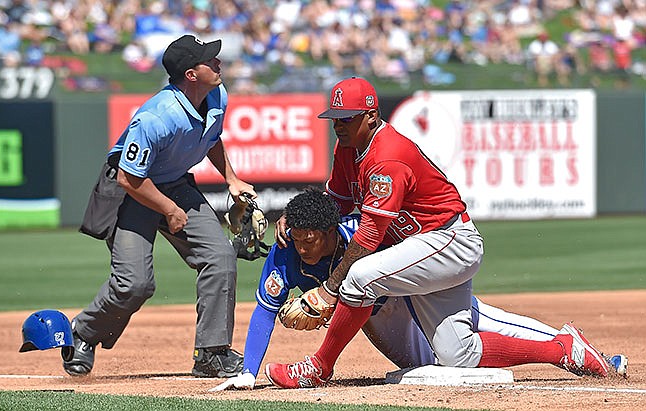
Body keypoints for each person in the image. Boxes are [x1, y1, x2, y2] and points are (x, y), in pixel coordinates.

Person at [264, 77, 618, 389]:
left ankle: (319, 367)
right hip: (422, 246)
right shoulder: (348, 149)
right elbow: (336, 205)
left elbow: (370, 235)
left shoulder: (387, 157)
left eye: (347, 118)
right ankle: (563, 349)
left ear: (371, 116)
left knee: (358, 278)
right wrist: (297, 219)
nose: (338, 126)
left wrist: (328, 292)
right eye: (335, 119)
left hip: (448, 240)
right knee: (458, 353)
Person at [211, 189, 627, 390]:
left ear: (330, 232)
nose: (302, 245)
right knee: (448, 363)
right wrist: (248, 372)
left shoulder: (362, 235)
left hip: (420, 301)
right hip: (384, 328)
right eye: (297, 235)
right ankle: (568, 348)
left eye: (310, 238)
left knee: (484, 325)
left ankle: (577, 351)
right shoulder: (285, 255)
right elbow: (265, 311)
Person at [63, 34, 255, 378]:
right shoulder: (156, 117)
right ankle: (83, 332)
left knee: (220, 256)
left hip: (174, 183)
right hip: (132, 191)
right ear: (191, 75)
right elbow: (129, 178)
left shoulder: (217, 95)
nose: (218, 62)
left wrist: (232, 179)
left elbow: (211, 139)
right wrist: (168, 208)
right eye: (209, 60)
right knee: (135, 284)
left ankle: (211, 353)